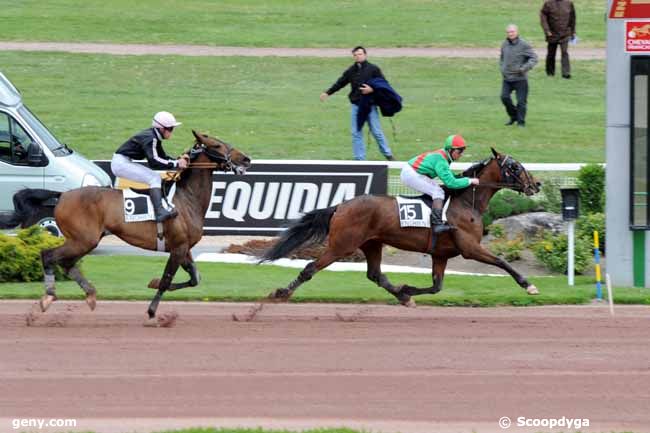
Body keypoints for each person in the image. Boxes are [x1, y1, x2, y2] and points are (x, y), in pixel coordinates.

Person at [320, 46, 395, 161]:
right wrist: (327, 93)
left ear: (365, 55)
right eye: (355, 55)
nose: (358, 56)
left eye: (360, 54)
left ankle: (388, 154)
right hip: (356, 106)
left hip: (370, 105)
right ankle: (359, 160)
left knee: (377, 132)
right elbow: (340, 83)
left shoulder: (373, 69)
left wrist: (372, 89)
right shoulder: (351, 71)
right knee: (356, 133)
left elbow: (384, 84)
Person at [111, 111, 188, 222]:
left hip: (123, 161)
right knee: (154, 178)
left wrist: (177, 161)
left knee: (155, 178)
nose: (172, 132)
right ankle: (159, 212)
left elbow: (163, 157)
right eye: (170, 128)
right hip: (120, 164)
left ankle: (159, 207)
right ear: (161, 128)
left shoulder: (155, 137)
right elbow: (154, 161)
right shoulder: (151, 138)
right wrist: (176, 164)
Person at [400, 135, 479, 233]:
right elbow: (451, 183)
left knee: (436, 189)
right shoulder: (442, 160)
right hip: (411, 173)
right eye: (459, 152)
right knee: (438, 192)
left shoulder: (444, 155)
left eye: (462, 151)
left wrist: (463, 177)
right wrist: (469, 181)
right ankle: (437, 224)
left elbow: (449, 176)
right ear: (450, 150)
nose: (461, 154)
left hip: (412, 171)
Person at [500, 24, 538, 127]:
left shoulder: (524, 45)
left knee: (521, 102)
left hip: (520, 79)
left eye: (512, 32)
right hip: (507, 78)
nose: (510, 34)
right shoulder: (504, 44)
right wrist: (502, 69)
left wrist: (524, 69)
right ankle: (514, 116)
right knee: (504, 97)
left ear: (517, 32)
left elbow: (534, 58)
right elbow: (502, 58)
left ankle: (521, 122)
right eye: (508, 32)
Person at [540, 0, 576, 79]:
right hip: (552, 34)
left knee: (564, 52)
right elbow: (543, 16)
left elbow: (573, 18)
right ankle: (550, 73)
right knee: (551, 54)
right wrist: (547, 30)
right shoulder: (548, 3)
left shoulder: (569, 3)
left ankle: (566, 73)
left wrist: (573, 32)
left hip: (565, 34)